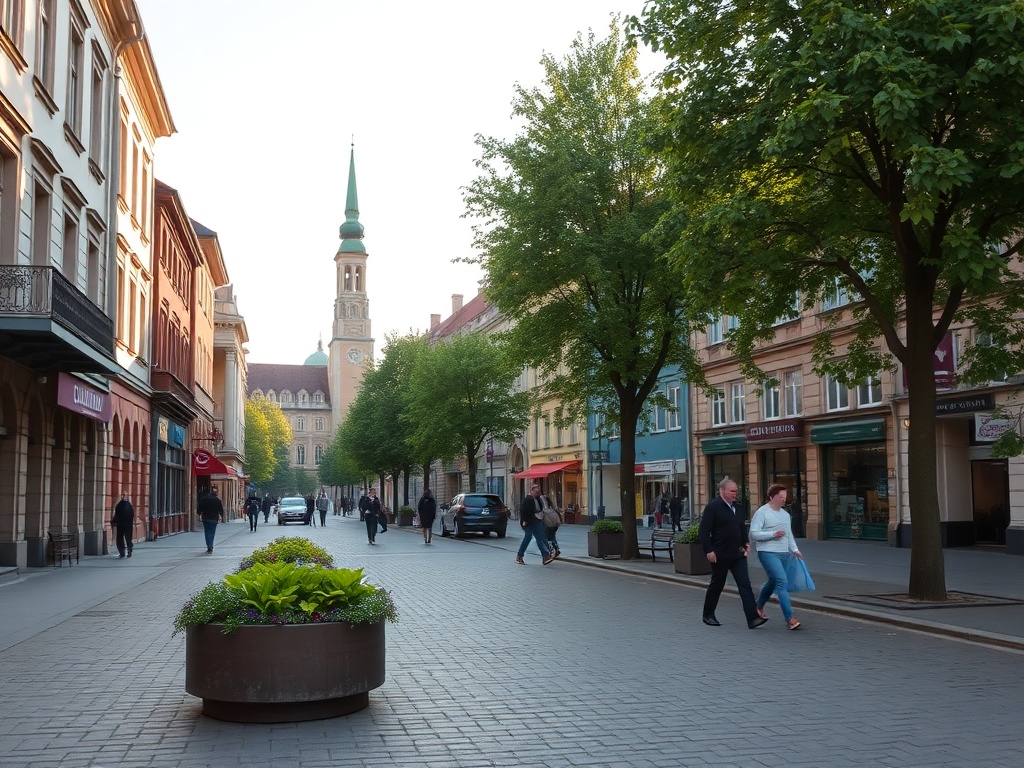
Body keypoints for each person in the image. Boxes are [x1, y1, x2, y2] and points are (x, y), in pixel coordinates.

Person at [698, 477, 766, 629]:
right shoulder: (713, 507)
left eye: (736, 491)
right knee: (717, 584)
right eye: (732, 491)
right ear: (722, 491)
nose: (735, 493)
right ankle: (708, 614)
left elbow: (741, 528)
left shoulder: (738, 508)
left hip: (737, 554)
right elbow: (703, 531)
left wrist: (745, 543)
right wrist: (709, 551)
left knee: (745, 584)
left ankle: (753, 618)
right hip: (720, 554)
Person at [749, 483, 804, 630]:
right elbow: (753, 534)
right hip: (767, 552)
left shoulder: (785, 515)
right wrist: (773, 534)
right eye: (781, 497)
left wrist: (795, 549)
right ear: (772, 497)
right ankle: (790, 618)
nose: (784, 499)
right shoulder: (762, 512)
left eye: (785, 497)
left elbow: (789, 534)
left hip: (784, 553)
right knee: (781, 581)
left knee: (773, 582)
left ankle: (758, 607)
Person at [516, 484, 554, 565]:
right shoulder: (528, 499)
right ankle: (519, 556)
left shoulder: (538, 499)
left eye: (539, 491)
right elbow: (523, 511)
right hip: (528, 522)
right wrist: (525, 521)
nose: (538, 493)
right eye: (536, 491)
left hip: (536, 521)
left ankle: (545, 556)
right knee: (528, 537)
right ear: (532, 491)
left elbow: (542, 509)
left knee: (539, 538)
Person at [197, 488, 224, 554]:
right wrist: (222, 516)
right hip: (214, 518)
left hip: (205, 518)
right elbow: (221, 509)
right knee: (212, 532)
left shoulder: (203, 500)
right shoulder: (217, 500)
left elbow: (199, 509)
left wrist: (199, 514)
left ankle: (208, 545)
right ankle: (210, 545)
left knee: (206, 532)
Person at [111, 492, 135, 558]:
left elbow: (117, 514)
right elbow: (132, 515)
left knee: (120, 538)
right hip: (128, 524)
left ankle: (122, 552)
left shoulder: (119, 505)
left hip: (120, 524)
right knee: (128, 537)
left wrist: (114, 521)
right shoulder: (129, 505)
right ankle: (129, 550)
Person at [541, 492, 562, 558]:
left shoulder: (544, 511)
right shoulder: (553, 510)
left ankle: (550, 551)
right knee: (552, 537)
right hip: (555, 525)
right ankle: (556, 549)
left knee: (547, 539)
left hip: (547, 525)